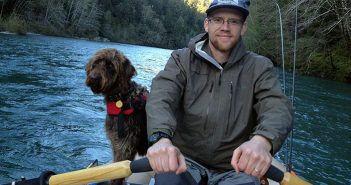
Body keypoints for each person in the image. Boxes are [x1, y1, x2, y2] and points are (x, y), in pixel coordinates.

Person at [145, 0, 293, 184]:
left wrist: (262, 141)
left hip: (238, 168)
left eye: (233, 21)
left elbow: (277, 107)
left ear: (243, 27)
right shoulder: (181, 59)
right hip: (184, 161)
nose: (225, 27)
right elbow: (161, 98)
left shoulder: (260, 67)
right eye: (218, 20)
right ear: (207, 24)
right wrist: (160, 138)